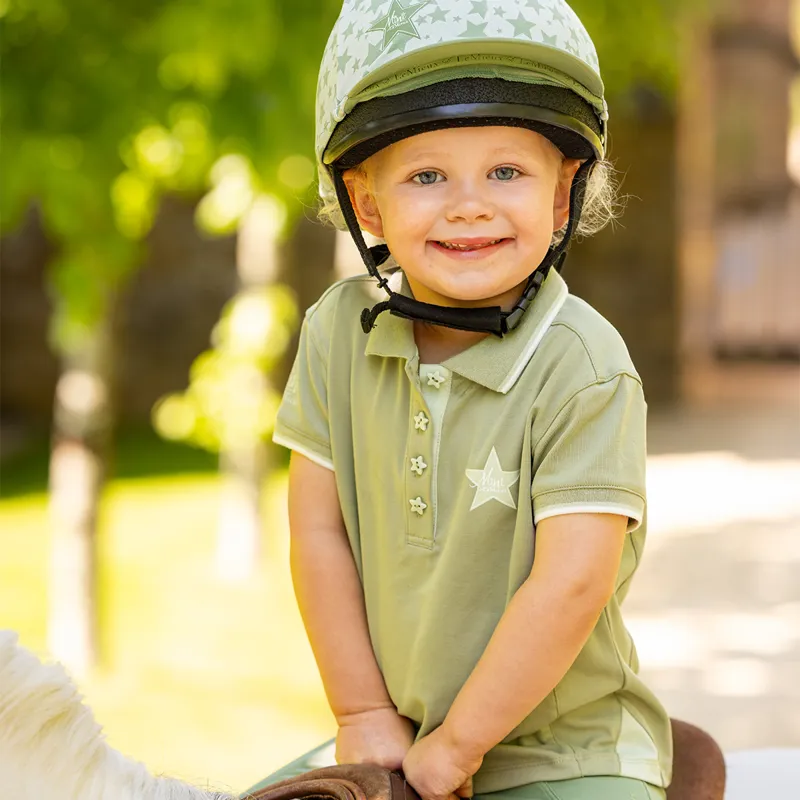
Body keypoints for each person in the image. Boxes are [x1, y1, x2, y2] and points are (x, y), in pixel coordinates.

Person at [271, 2, 673, 800]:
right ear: (368, 204)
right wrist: (360, 711)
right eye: (427, 176)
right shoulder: (335, 333)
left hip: (566, 752)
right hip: (398, 731)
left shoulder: (584, 368)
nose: (469, 205)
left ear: (561, 196)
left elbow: (571, 585)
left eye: (506, 172)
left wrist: (459, 747)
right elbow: (318, 532)